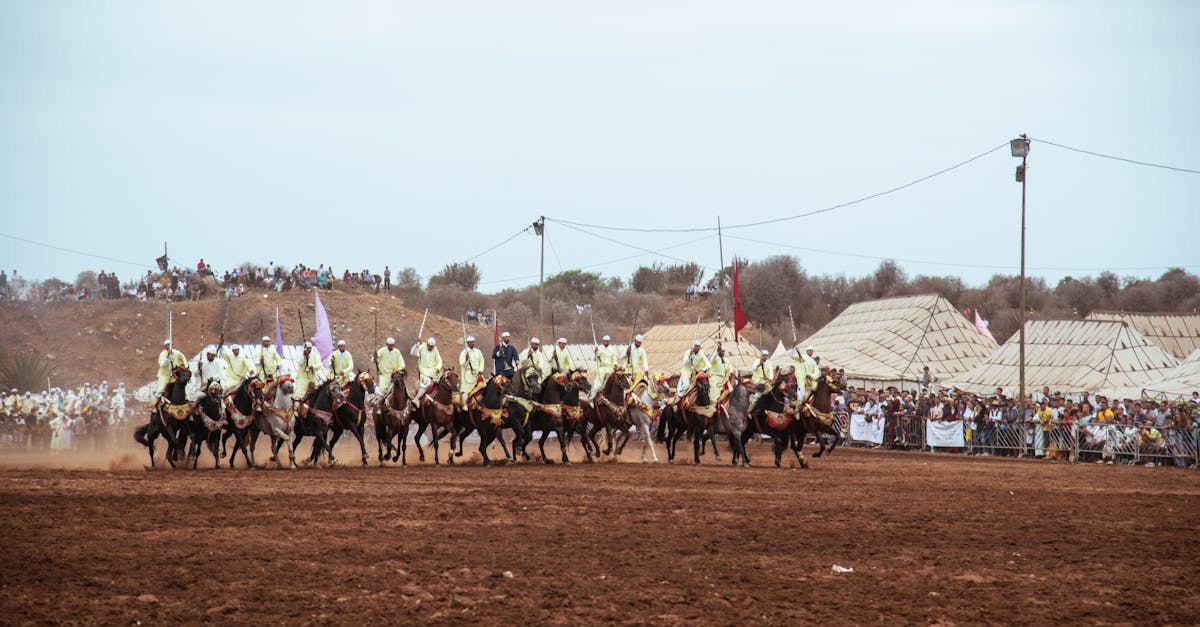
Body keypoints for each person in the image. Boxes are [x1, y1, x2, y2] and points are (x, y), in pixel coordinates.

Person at [410, 337, 443, 407]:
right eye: (429, 346)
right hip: (423, 370)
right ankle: (416, 399)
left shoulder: (435, 350)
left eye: (432, 347)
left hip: (433, 371)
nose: (431, 348)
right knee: (426, 384)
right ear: (427, 344)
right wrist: (416, 345)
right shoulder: (422, 347)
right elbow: (413, 353)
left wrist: (437, 368)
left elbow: (439, 361)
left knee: (443, 382)